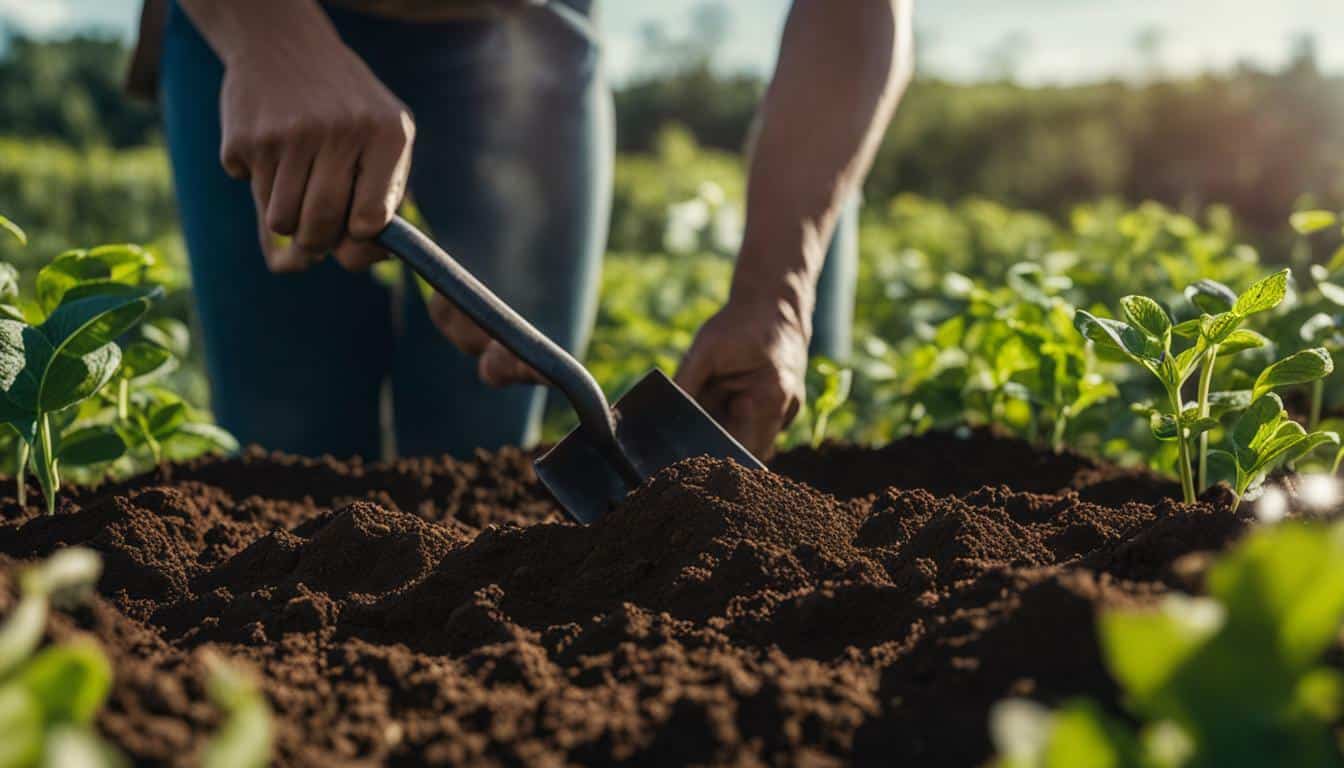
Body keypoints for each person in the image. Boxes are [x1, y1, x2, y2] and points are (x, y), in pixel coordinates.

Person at [127, 0, 913, 461]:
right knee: (285, 448)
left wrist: (776, 296)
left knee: (482, 448)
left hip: (518, 35)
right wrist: (273, 39)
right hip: (257, 23)